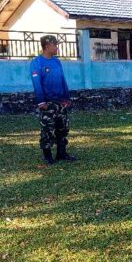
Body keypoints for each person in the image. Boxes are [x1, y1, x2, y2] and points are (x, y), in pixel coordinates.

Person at [30, 35, 75, 165]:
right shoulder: (37, 62)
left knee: (63, 128)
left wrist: (66, 97)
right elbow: (36, 83)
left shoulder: (57, 61)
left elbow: (62, 79)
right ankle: (47, 156)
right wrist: (41, 101)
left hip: (61, 102)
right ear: (47, 46)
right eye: (55, 45)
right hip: (47, 103)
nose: (56, 47)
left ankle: (61, 153)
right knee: (47, 129)